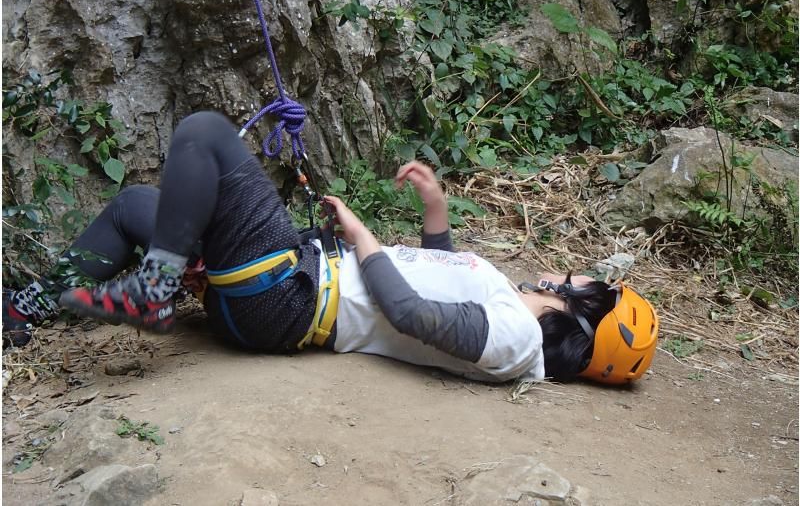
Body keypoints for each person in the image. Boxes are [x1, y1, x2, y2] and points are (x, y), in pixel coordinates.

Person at [3, 111, 659, 384]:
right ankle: (23, 310)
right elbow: (439, 288)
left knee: (204, 133)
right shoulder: (511, 317)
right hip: (288, 285)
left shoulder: (516, 339)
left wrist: (364, 237)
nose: (558, 270)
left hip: (287, 298)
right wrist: (436, 215)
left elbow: (414, 318)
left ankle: (153, 290)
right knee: (133, 209)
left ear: (581, 307)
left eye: (575, 276)